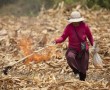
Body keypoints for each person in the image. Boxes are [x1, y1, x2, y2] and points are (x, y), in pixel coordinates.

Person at [54, 11, 94, 81]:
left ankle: (82, 80)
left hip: (83, 48)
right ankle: (76, 71)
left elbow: (90, 36)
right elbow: (63, 37)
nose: (75, 23)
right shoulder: (69, 27)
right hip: (73, 48)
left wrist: (93, 45)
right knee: (70, 57)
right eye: (74, 21)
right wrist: (56, 41)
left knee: (83, 67)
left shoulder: (85, 26)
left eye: (77, 21)